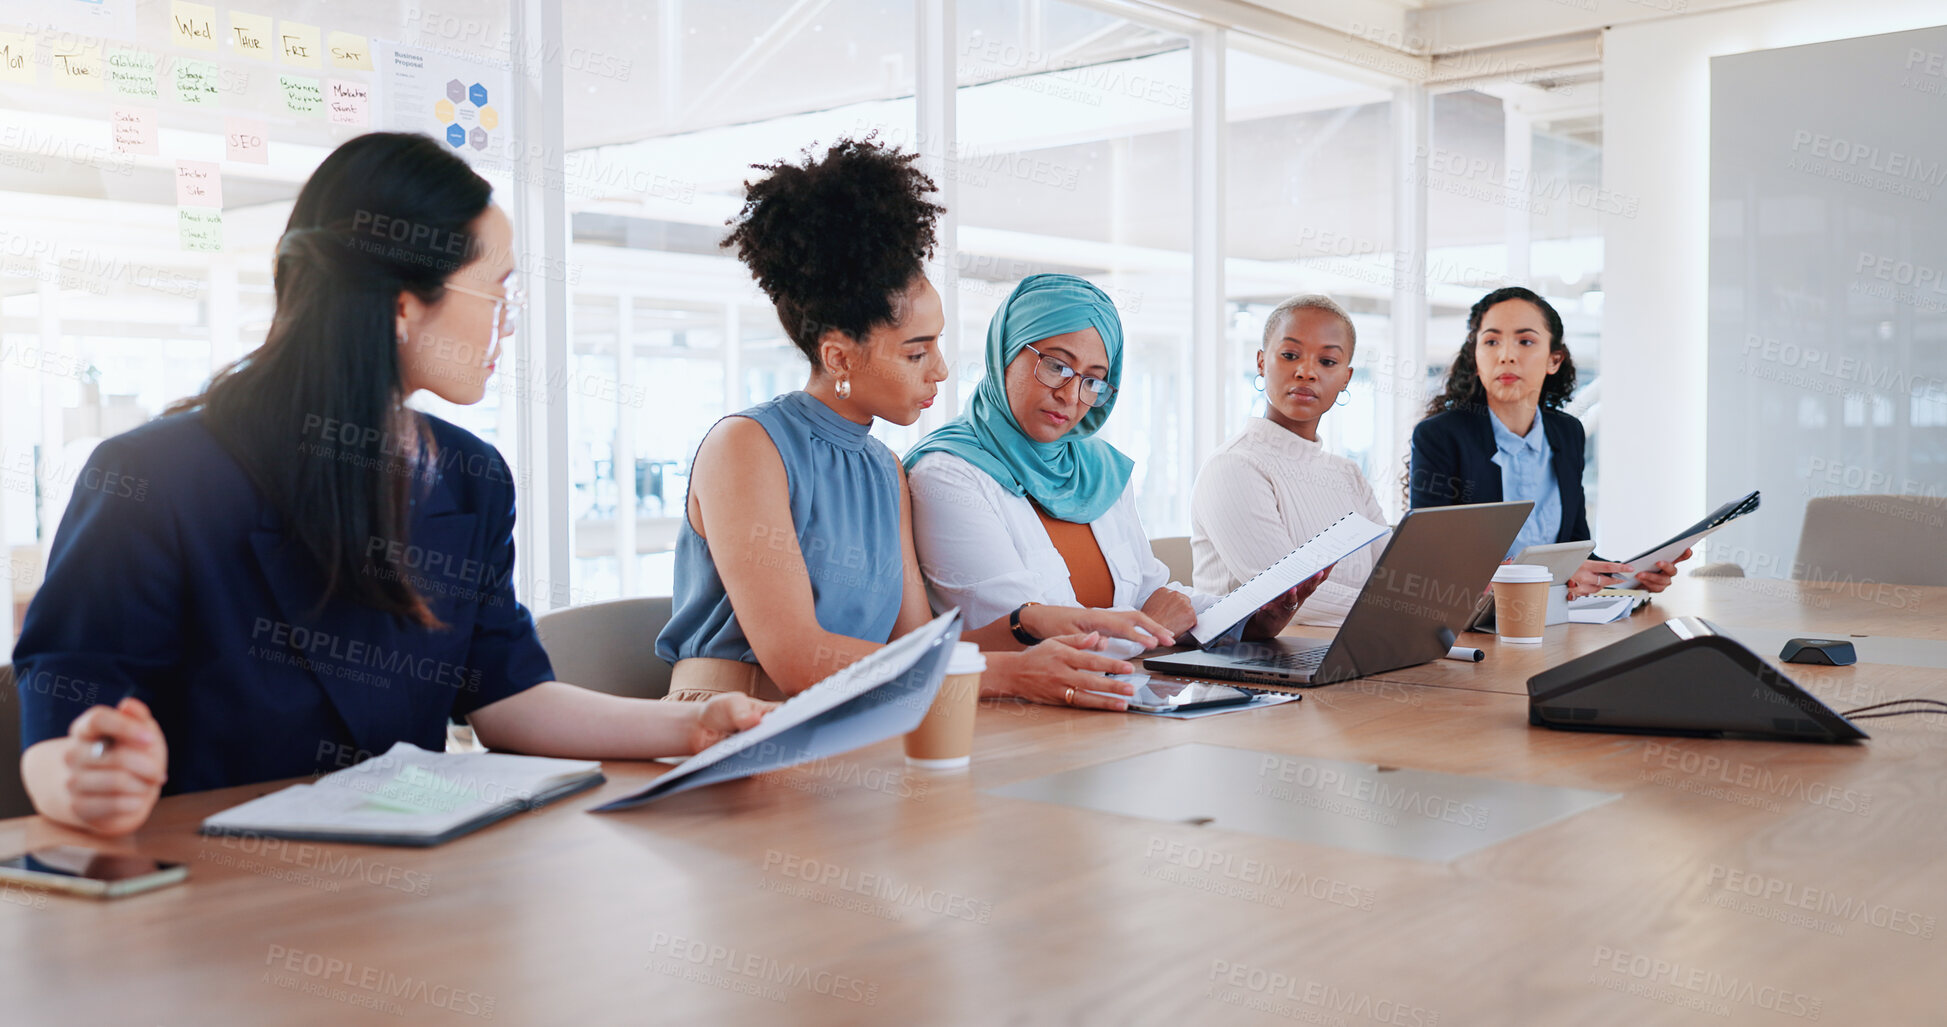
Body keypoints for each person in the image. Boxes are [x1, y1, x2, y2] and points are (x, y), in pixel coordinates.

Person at [11, 133, 771, 837]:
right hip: (206, 899)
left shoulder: (470, 480)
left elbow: (507, 699)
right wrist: (75, 777)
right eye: (495, 290)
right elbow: (70, 694)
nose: (505, 323)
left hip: (399, 887)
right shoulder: (154, 476)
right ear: (404, 307)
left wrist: (693, 725)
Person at [657, 141, 1139, 710]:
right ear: (838, 358)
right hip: (730, 723)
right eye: (916, 353)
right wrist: (1006, 674)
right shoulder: (746, 446)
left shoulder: (885, 468)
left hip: (853, 719)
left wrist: (1029, 641)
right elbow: (797, 660)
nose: (939, 369)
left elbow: (915, 645)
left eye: (938, 344)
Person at [905, 273, 1325, 685]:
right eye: (1056, 366)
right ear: (1006, 350)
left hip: (1117, 704)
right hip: (1018, 726)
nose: (1071, 396)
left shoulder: (1098, 469)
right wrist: (1150, 626)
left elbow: (1152, 592)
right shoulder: (948, 475)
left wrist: (1248, 616)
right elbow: (1024, 642)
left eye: (1092, 380)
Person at [1409, 286, 1688, 596]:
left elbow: (1575, 554)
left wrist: (1631, 575)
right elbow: (1431, 565)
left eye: (1525, 341)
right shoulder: (1440, 437)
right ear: (1476, 358)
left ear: (1554, 360)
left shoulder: (1567, 433)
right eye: (1491, 342)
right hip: (1478, 628)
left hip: (1555, 619)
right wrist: (1552, 575)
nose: (1507, 356)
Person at [1191, 295, 1384, 626]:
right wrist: (1407, 610)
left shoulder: (1348, 474)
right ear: (1262, 362)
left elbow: (1393, 572)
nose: (1306, 372)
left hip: (1349, 653)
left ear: (1346, 378)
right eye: (1290, 355)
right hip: (1250, 665)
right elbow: (1287, 596)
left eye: (1327, 362)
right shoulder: (1233, 466)